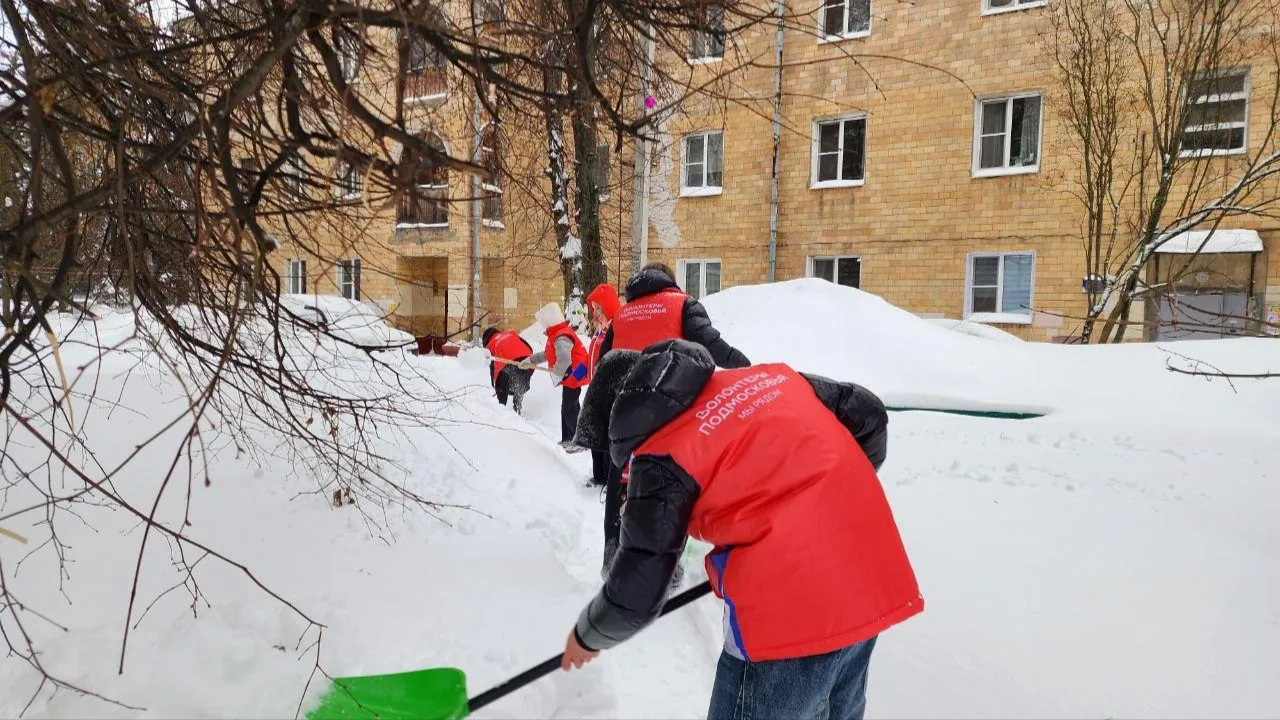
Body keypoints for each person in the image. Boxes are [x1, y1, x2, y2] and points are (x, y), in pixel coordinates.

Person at [564, 340, 923, 720]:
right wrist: (823, 509)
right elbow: (869, 415)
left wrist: (587, 635)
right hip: (865, 575)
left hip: (788, 618)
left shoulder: (661, 452)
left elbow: (639, 586)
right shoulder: (770, 379)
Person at [596, 262, 749, 368]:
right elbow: (713, 347)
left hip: (623, 403)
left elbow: (602, 364)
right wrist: (748, 367)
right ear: (670, 281)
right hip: (670, 400)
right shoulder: (682, 304)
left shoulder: (621, 315)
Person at [529, 302, 589, 448]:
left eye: (544, 322)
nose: (543, 325)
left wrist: (557, 373)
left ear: (550, 321)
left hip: (577, 371)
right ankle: (568, 439)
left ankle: (579, 441)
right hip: (571, 371)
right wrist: (530, 360)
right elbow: (548, 354)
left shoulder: (561, 336)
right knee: (567, 405)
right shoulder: (557, 334)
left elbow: (564, 358)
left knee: (570, 407)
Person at [585, 283, 621, 489]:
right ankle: (598, 475)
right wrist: (576, 374)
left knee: (607, 434)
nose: (595, 312)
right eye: (594, 308)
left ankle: (609, 478)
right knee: (596, 432)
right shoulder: (601, 331)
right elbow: (590, 360)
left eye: (598, 307)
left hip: (608, 391)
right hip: (594, 389)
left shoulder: (616, 328)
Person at [481, 327, 534, 415]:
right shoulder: (510, 334)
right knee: (519, 386)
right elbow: (528, 347)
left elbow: (493, 368)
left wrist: (496, 386)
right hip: (525, 358)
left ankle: (501, 411)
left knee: (502, 383)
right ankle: (518, 410)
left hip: (506, 361)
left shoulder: (490, 344)